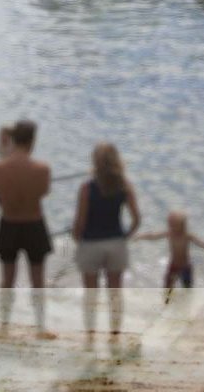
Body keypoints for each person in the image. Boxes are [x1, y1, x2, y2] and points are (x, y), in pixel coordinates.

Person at [0, 120, 53, 337]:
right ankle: (40, 327)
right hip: (34, 224)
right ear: (32, 140)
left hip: (8, 223)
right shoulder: (42, 169)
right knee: (38, 280)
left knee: (7, 280)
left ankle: (4, 326)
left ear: (13, 139)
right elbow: (42, 193)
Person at [73, 143, 140, 339]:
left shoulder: (87, 188)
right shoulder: (125, 186)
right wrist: (126, 236)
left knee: (91, 293)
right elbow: (137, 219)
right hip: (116, 243)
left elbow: (80, 222)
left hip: (91, 244)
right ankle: (115, 332)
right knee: (115, 291)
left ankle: (91, 333)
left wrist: (78, 240)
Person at [135, 211, 204, 297]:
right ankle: (166, 304)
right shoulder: (169, 233)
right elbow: (153, 236)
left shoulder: (188, 236)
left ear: (182, 226)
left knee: (187, 289)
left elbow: (202, 244)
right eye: (170, 225)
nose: (171, 227)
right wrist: (141, 236)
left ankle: (186, 306)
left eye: (174, 225)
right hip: (173, 266)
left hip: (186, 267)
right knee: (167, 289)